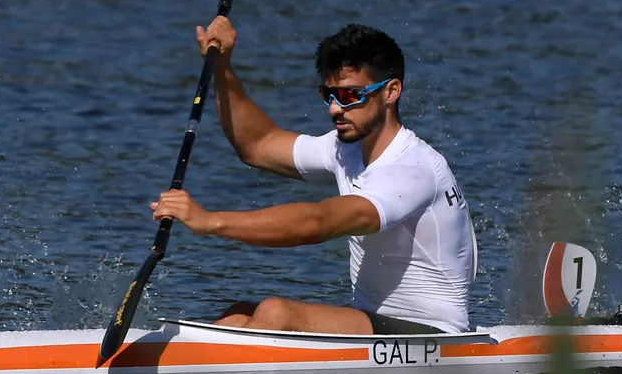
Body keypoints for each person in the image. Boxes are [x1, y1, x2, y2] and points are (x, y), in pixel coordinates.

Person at [150, 18, 476, 334]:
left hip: (436, 334)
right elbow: (258, 145)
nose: (335, 108)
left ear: (391, 92)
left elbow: (318, 222)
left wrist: (211, 222)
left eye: (350, 95)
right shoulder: (345, 149)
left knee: (275, 313)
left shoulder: (413, 170)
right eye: (329, 95)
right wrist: (222, 68)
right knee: (238, 315)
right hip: (373, 324)